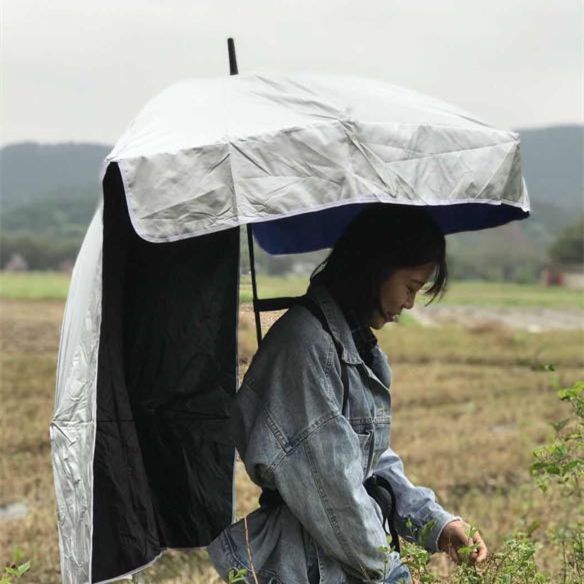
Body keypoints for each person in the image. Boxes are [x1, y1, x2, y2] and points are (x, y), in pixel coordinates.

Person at [208, 204, 487, 583]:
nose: (409, 304)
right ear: (377, 268)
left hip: (335, 561)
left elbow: (370, 463)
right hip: (304, 565)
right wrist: (391, 574)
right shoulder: (305, 347)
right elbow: (334, 492)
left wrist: (437, 523)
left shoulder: (358, 348)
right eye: (410, 287)